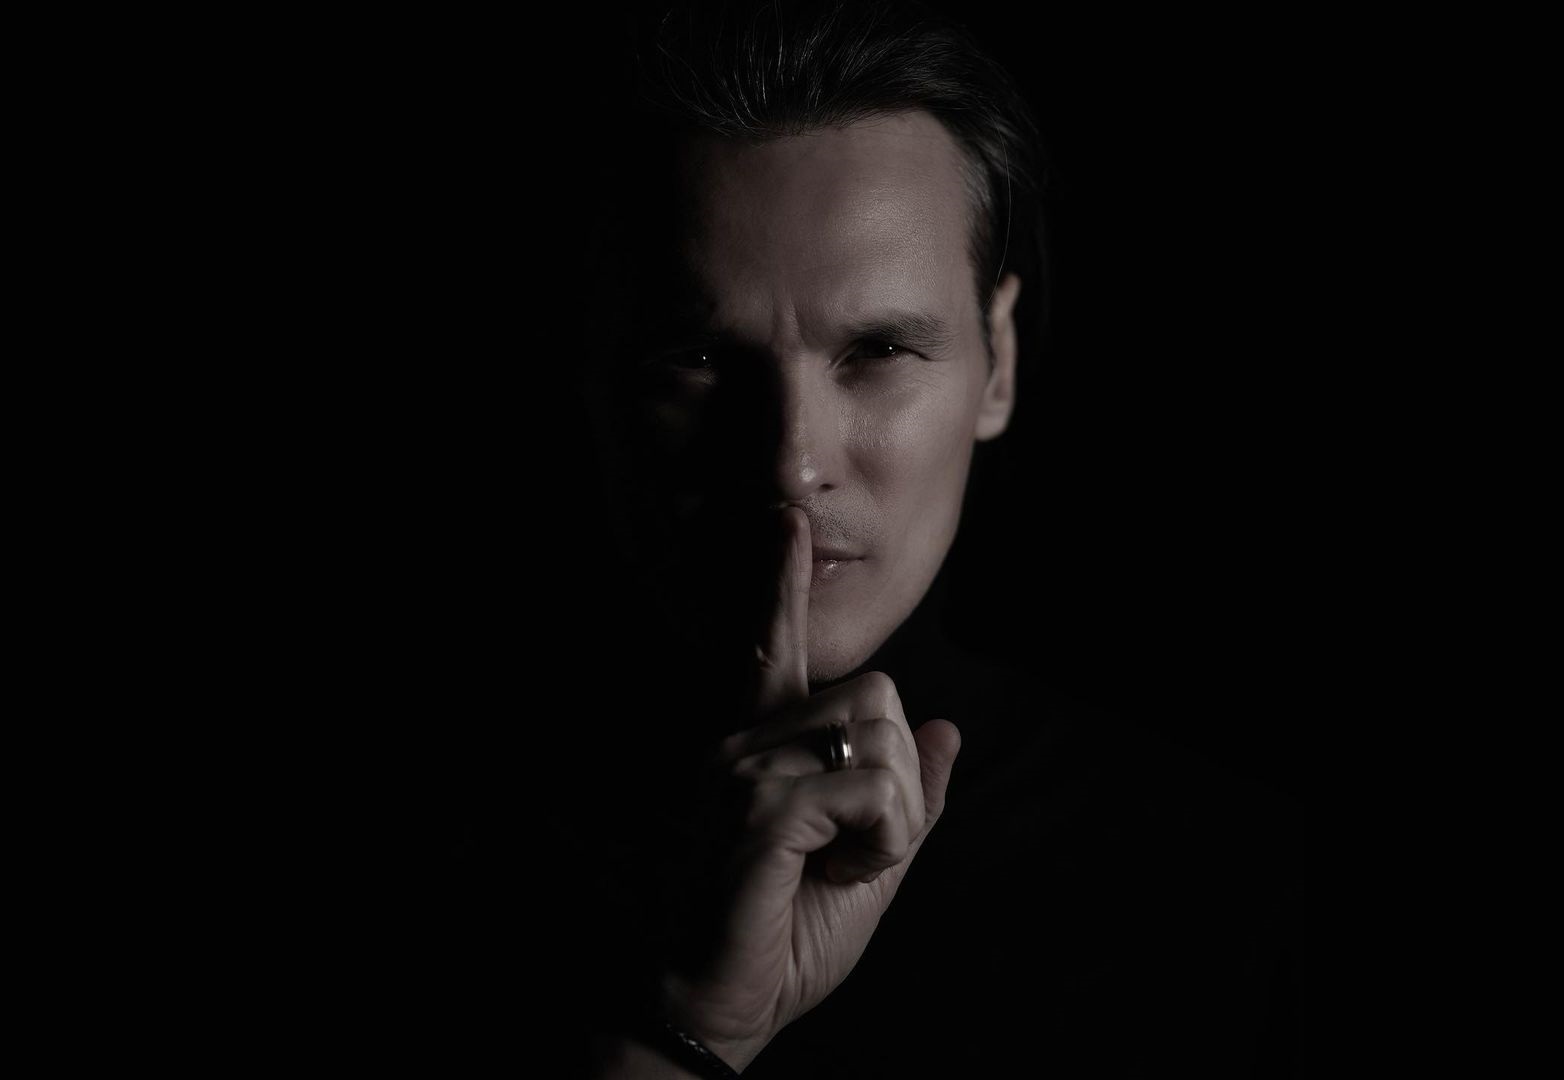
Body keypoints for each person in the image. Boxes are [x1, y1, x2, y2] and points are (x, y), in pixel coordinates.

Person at [373, 2, 1304, 1076]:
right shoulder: (435, 854)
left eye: (879, 351)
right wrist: (689, 1025)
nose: (788, 462)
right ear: (589, 373)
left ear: (997, 361)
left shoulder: (1233, 887)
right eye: (698, 361)